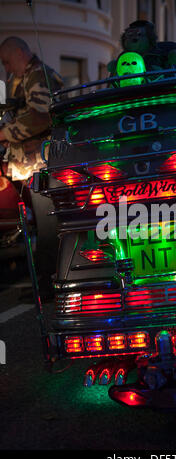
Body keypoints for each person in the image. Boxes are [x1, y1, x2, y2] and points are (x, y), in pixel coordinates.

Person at [0, 37, 63, 301]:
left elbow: (40, 117)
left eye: (7, 61)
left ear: (19, 53)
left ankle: (48, 288)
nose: (6, 67)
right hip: (33, 165)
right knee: (44, 227)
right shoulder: (30, 76)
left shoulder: (38, 75)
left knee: (49, 228)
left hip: (42, 165)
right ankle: (45, 284)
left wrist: (4, 133)